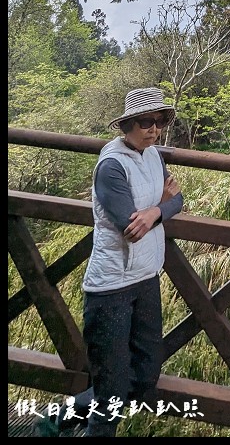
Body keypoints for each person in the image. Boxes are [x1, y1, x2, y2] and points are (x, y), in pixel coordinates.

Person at [34, 87, 183, 438]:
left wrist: (156, 210)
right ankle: (65, 424)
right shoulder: (111, 165)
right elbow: (131, 226)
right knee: (111, 394)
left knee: (144, 376)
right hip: (112, 286)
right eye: (146, 122)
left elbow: (177, 200)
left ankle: (58, 418)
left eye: (159, 121)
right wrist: (156, 209)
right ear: (127, 123)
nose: (154, 129)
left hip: (146, 276)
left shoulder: (153, 157)